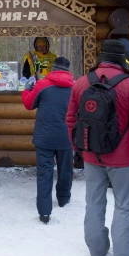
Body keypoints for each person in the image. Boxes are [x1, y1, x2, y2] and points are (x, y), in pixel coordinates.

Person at [66, 40, 129, 256]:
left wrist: (78, 149)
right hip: (123, 159)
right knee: (125, 207)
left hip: (91, 156)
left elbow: (71, 120)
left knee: (94, 203)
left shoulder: (82, 82)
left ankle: (97, 252)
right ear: (122, 60)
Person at [21, 57, 74, 224]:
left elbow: (29, 105)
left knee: (44, 173)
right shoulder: (75, 87)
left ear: (53, 68)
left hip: (44, 137)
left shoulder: (42, 85)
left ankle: (44, 212)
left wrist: (26, 90)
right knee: (66, 169)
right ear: (67, 70)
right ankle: (63, 198)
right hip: (66, 135)